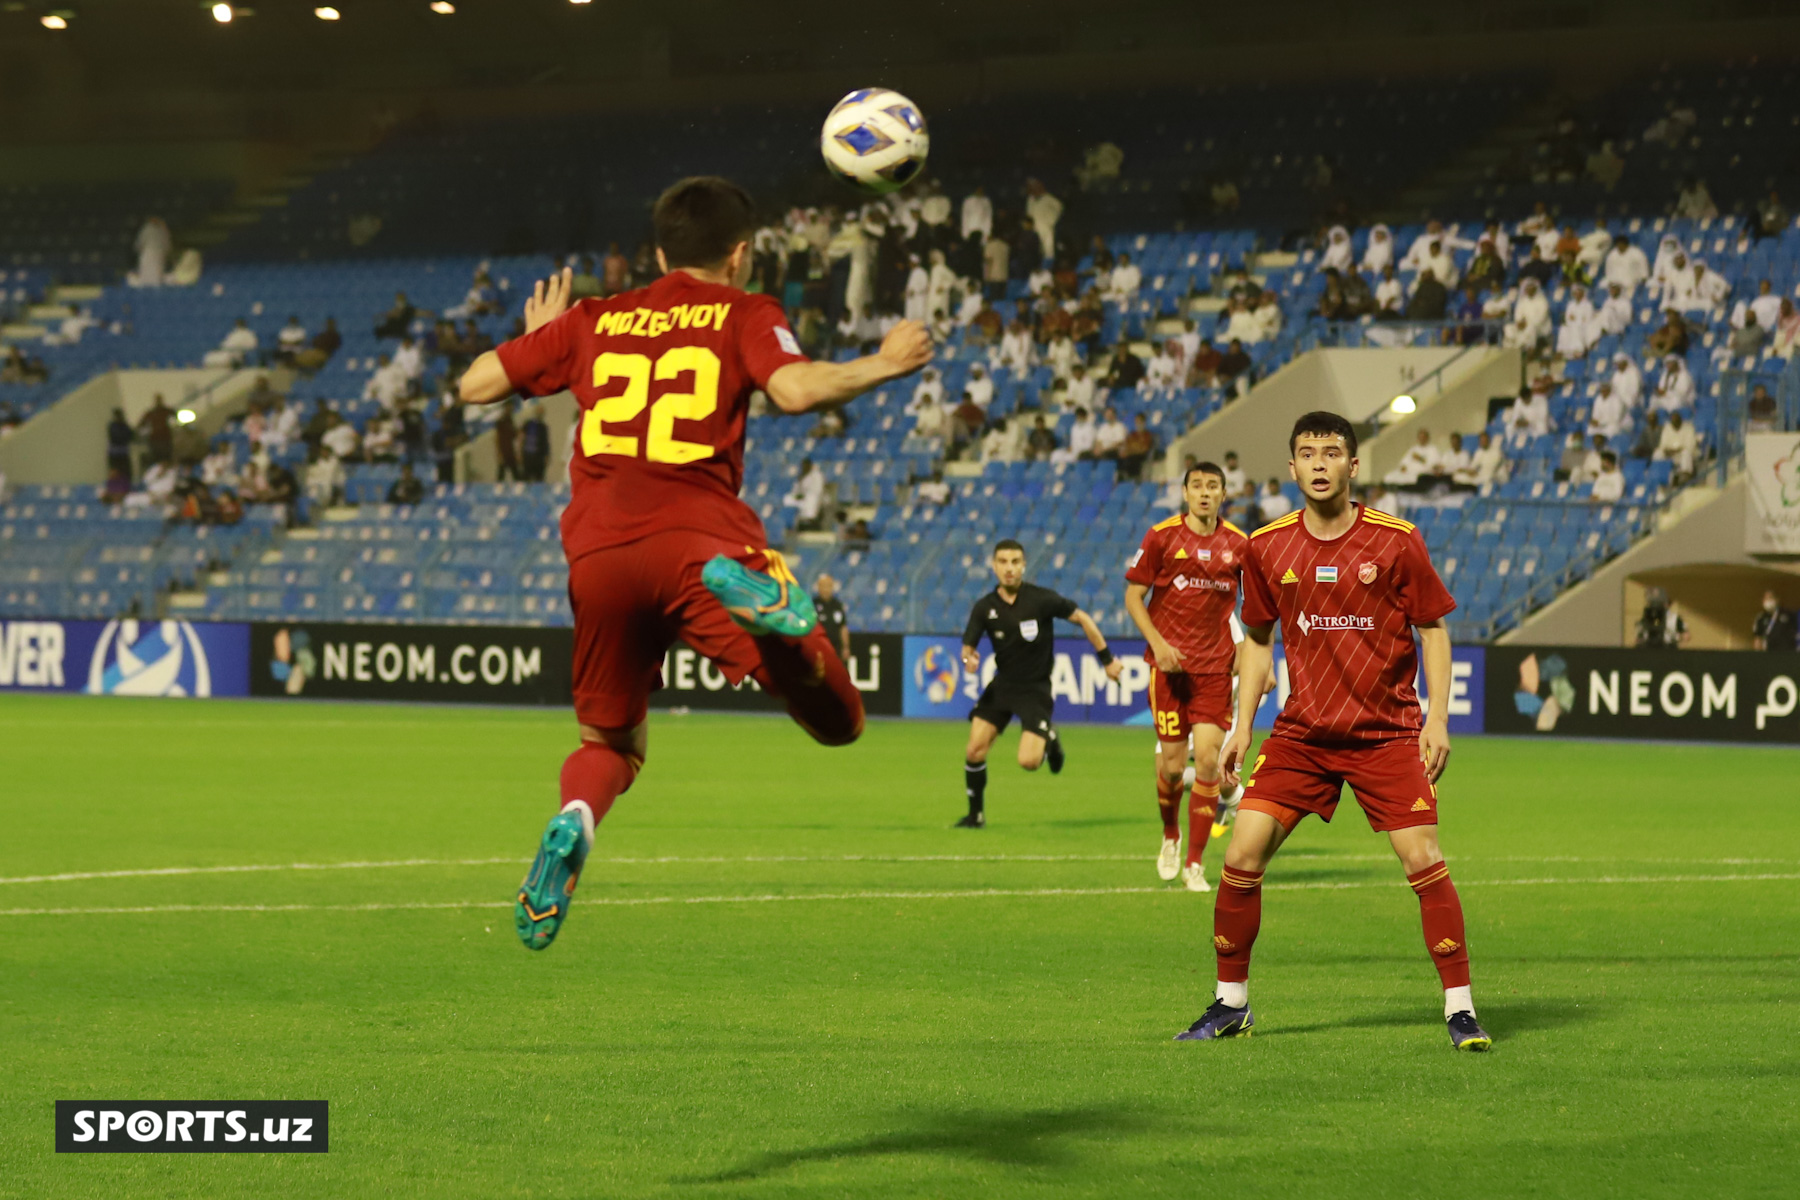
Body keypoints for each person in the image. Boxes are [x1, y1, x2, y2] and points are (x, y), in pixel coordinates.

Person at [457, 175, 932, 950]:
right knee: (839, 723)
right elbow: (796, 391)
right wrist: (882, 362)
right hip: (699, 544)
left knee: (609, 746)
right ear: (741, 255)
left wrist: (536, 338)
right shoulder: (744, 311)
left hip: (600, 555)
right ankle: (777, 628)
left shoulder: (593, 317)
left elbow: (474, 384)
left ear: (656, 252)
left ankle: (576, 819)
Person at [1181, 411, 1489, 1052]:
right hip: (1302, 735)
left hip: (1387, 734)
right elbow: (1258, 644)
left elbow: (1433, 628)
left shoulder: (1397, 540)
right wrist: (1243, 726)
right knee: (1240, 854)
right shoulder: (1265, 547)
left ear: (1353, 465)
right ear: (1291, 468)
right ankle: (1230, 1003)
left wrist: (1437, 716)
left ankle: (1460, 1010)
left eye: (1331, 452)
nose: (1319, 463)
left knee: (1423, 859)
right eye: (1306, 453)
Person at [1124, 463, 1250, 892]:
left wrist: (1255, 659)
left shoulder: (1239, 544)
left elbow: (1257, 611)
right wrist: (1158, 645)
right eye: (1197, 486)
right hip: (1168, 670)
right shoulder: (1161, 536)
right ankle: (1170, 836)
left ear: (1222, 494)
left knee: (1211, 762)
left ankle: (1195, 863)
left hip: (1215, 669)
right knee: (1174, 769)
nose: (1204, 493)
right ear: (1184, 493)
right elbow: (1133, 595)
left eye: (1212, 486)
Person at [956, 539, 1122, 828]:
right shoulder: (984, 607)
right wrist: (968, 659)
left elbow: (1082, 617)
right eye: (1003, 562)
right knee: (974, 750)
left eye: (1015, 562)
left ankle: (1051, 740)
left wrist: (1107, 660)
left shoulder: (1041, 600)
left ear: (1024, 565)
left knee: (1029, 762)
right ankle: (975, 815)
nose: (1009, 568)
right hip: (1003, 685)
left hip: (1035, 689)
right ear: (994, 566)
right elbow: (968, 647)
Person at [813, 573, 852, 663]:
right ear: (818, 587)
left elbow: (843, 627)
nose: (826, 589)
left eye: (828, 586)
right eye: (823, 586)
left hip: (835, 648)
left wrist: (846, 647)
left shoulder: (837, 605)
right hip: (818, 648)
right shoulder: (813, 604)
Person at [784, 457, 826, 530]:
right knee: (787, 498)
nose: (803, 467)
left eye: (806, 465)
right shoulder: (802, 475)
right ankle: (793, 523)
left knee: (809, 499)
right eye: (802, 465)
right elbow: (796, 490)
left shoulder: (816, 475)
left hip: (813, 498)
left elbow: (815, 491)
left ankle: (808, 519)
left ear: (810, 465)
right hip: (803, 498)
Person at [106, 408, 135, 483]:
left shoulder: (125, 426)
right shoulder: (112, 426)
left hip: (124, 453)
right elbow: (115, 438)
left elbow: (131, 436)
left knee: (126, 474)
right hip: (114, 454)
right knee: (115, 474)